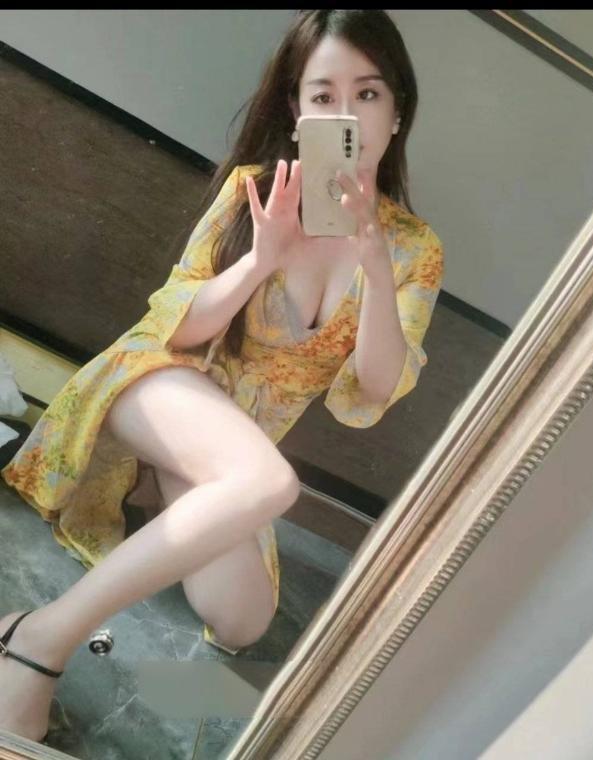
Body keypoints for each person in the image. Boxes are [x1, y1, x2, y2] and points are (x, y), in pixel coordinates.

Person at [0, 9, 444, 744]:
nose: (346, 115)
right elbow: (177, 330)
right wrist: (262, 258)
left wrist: (372, 262)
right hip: (163, 379)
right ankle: (37, 640)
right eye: (324, 95)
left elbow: (372, 388)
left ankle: (176, 487)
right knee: (271, 484)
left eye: (367, 95)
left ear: (397, 115)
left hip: (238, 445)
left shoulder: (412, 250)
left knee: (242, 622)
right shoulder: (253, 192)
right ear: (297, 111)